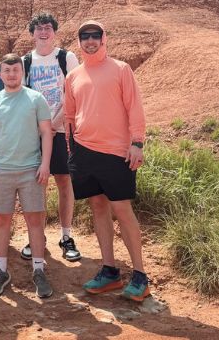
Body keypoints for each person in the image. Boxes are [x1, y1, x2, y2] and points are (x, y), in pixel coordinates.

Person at [65, 21, 150, 302]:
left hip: (116, 152)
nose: (90, 40)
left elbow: (134, 107)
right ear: (79, 42)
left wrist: (137, 142)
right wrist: (71, 149)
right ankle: (110, 271)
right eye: (84, 36)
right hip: (84, 152)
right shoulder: (74, 76)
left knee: (121, 209)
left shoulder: (121, 69)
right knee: (98, 207)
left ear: (104, 39)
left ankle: (140, 275)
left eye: (95, 35)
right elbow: (69, 115)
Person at [0, 54, 54, 299]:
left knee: (35, 221)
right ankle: (1, 271)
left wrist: (45, 164)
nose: (11, 74)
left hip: (31, 170)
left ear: (22, 72)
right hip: (1, 170)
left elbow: (46, 132)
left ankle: (38, 270)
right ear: (0, 74)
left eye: (15, 69)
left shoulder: (36, 98)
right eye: (6, 70)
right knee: (2, 221)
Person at [20, 12, 82, 262]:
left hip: (60, 131)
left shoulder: (66, 58)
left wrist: (53, 123)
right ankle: (38, 237)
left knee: (64, 182)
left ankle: (66, 236)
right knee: (38, 185)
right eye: (38, 28)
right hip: (34, 133)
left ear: (54, 32)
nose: (43, 32)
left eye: (47, 28)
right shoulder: (26, 62)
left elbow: (74, 93)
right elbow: (22, 96)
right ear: (32, 33)